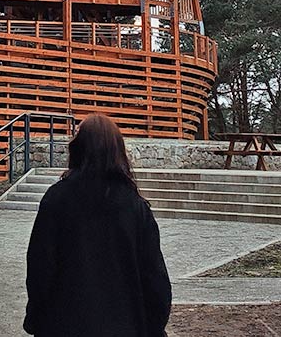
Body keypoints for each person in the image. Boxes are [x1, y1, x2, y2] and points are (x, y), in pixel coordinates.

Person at [23, 114, 171, 337]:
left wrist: (36, 319)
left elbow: (40, 268)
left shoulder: (56, 199)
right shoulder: (135, 207)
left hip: (63, 325)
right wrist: (154, 328)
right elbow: (155, 279)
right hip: (124, 326)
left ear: (78, 148)